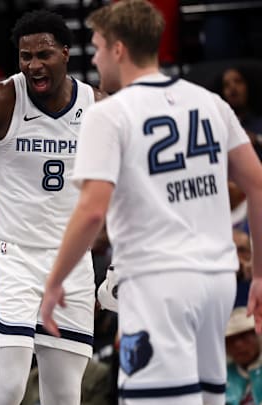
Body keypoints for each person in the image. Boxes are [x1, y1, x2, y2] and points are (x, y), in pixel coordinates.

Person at [40, 1, 262, 404]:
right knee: (208, 398)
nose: (95, 56)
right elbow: (258, 183)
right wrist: (260, 275)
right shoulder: (209, 102)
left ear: (119, 49)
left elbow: (91, 210)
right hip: (216, 282)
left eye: (98, 47)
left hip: (158, 282)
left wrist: (54, 282)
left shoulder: (108, 114)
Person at [0, 10, 104, 405]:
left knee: (66, 396)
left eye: (44, 54)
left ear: (66, 53)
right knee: (8, 389)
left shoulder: (98, 107)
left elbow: (120, 187)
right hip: (10, 256)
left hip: (71, 263)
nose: (33, 65)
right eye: (25, 56)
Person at [225, 306, 262, 405]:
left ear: (257, 335)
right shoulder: (222, 378)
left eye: (244, 336)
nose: (238, 345)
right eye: (231, 339)